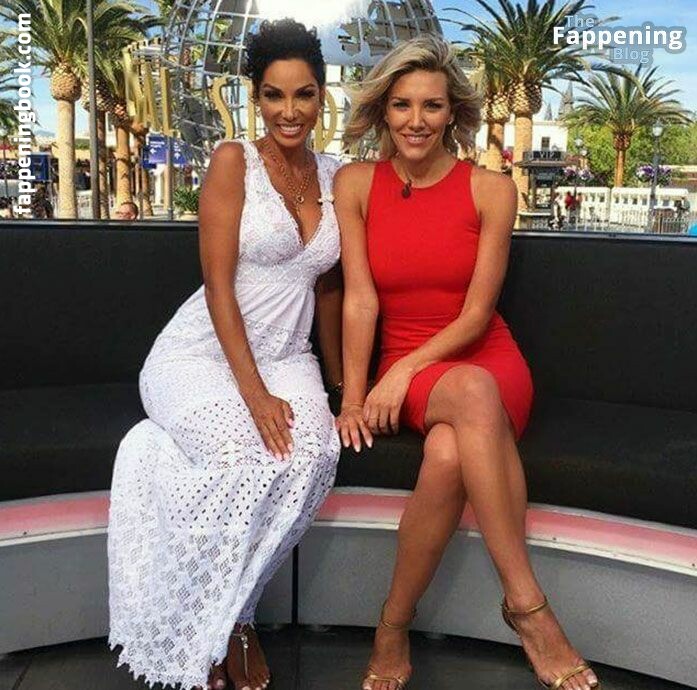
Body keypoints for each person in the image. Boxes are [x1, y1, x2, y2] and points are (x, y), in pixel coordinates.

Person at [335, 35, 600, 690]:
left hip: (482, 358)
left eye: (431, 105)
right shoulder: (355, 184)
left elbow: (477, 317)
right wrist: (354, 396)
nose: (415, 120)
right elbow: (361, 299)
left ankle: (394, 626)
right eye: (401, 104)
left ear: (452, 112)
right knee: (469, 398)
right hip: (414, 370)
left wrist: (400, 373)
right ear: (383, 110)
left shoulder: (491, 190)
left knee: (452, 448)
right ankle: (529, 611)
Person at [108, 19, 343, 690]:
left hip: (289, 354)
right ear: (254, 97)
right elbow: (217, 285)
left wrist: (343, 387)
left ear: (321, 96)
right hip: (204, 353)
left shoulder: (338, 175)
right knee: (243, 458)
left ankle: (232, 612)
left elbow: (330, 288)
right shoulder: (232, 161)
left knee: (314, 455)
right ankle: (217, 629)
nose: (289, 111)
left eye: (303, 95)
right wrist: (253, 393)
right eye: (273, 95)